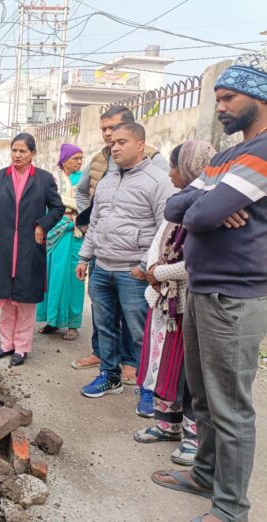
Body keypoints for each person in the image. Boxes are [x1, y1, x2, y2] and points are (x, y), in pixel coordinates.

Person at [153, 51, 267, 522]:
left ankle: (230, 508)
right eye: (217, 97)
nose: (220, 106)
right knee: (200, 396)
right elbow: (175, 206)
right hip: (203, 288)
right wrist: (210, 205)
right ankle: (204, 475)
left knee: (230, 407)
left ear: (259, 96)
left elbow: (196, 213)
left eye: (229, 97)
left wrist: (207, 206)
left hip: (234, 297)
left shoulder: (262, 153)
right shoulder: (226, 155)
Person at [75, 122, 174, 411]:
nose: (115, 147)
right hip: (102, 267)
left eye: (123, 142)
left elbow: (165, 229)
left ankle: (147, 386)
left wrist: (146, 265)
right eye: (112, 142)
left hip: (134, 272)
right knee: (104, 327)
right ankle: (109, 375)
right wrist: (84, 257)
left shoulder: (158, 181)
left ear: (141, 145)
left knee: (141, 331)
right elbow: (95, 224)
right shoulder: (105, 181)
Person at [133, 140, 215, 467]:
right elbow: (159, 241)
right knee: (165, 363)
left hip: (185, 302)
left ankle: (194, 439)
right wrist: (153, 268)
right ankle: (168, 424)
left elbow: (195, 262)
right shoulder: (178, 205)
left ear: (191, 168)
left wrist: (159, 272)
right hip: (164, 300)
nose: (170, 173)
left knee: (188, 372)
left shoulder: (205, 208)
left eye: (175, 166)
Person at [0, 133, 65, 367]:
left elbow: (57, 208)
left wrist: (42, 226)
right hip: (3, 247)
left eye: (22, 151)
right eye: (14, 150)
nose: (17, 155)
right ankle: (6, 344)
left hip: (29, 248)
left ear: (32, 153)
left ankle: (22, 347)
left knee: (25, 302)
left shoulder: (44, 179)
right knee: (5, 300)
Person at [36, 144, 85, 341]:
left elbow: (86, 205)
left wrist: (67, 209)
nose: (80, 162)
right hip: (55, 233)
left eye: (81, 158)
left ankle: (73, 324)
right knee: (53, 277)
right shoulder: (53, 180)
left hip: (74, 234)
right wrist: (65, 209)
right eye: (75, 158)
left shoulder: (84, 179)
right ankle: (52, 320)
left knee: (74, 280)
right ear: (64, 160)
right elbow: (47, 203)